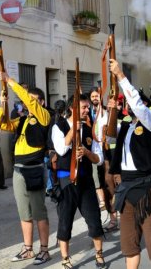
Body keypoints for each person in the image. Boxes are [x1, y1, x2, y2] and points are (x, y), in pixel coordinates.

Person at [108, 59, 151, 269]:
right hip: (126, 187)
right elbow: (105, 137)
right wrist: (110, 110)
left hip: (147, 187)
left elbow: (139, 106)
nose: (130, 107)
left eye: (132, 104)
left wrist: (121, 76)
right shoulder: (125, 126)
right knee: (129, 245)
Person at [0, 71, 51, 265]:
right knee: (24, 213)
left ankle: (44, 249)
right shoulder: (22, 120)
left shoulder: (44, 116)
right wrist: (3, 103)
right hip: (19, 169)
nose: (28, 103)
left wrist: (10, 80)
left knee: (39, 212)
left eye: (33, 101)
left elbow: (29, 101)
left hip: (35, 168)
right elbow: (2, 124)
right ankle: (28, 249)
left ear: (41, 103)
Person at [51, 93, 106, 269]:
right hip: (66, 180)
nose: (86, 110)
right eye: (83, 107)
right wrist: (72, 130)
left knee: (94, 219)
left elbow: (99, 159)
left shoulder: (89, 129)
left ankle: (99, 255)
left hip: (86, 181)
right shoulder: (58, 127)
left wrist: (87, 153)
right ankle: (65, 259)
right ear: (72, 109)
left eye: (87, 107)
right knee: (65, 221)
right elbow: (60, 150)